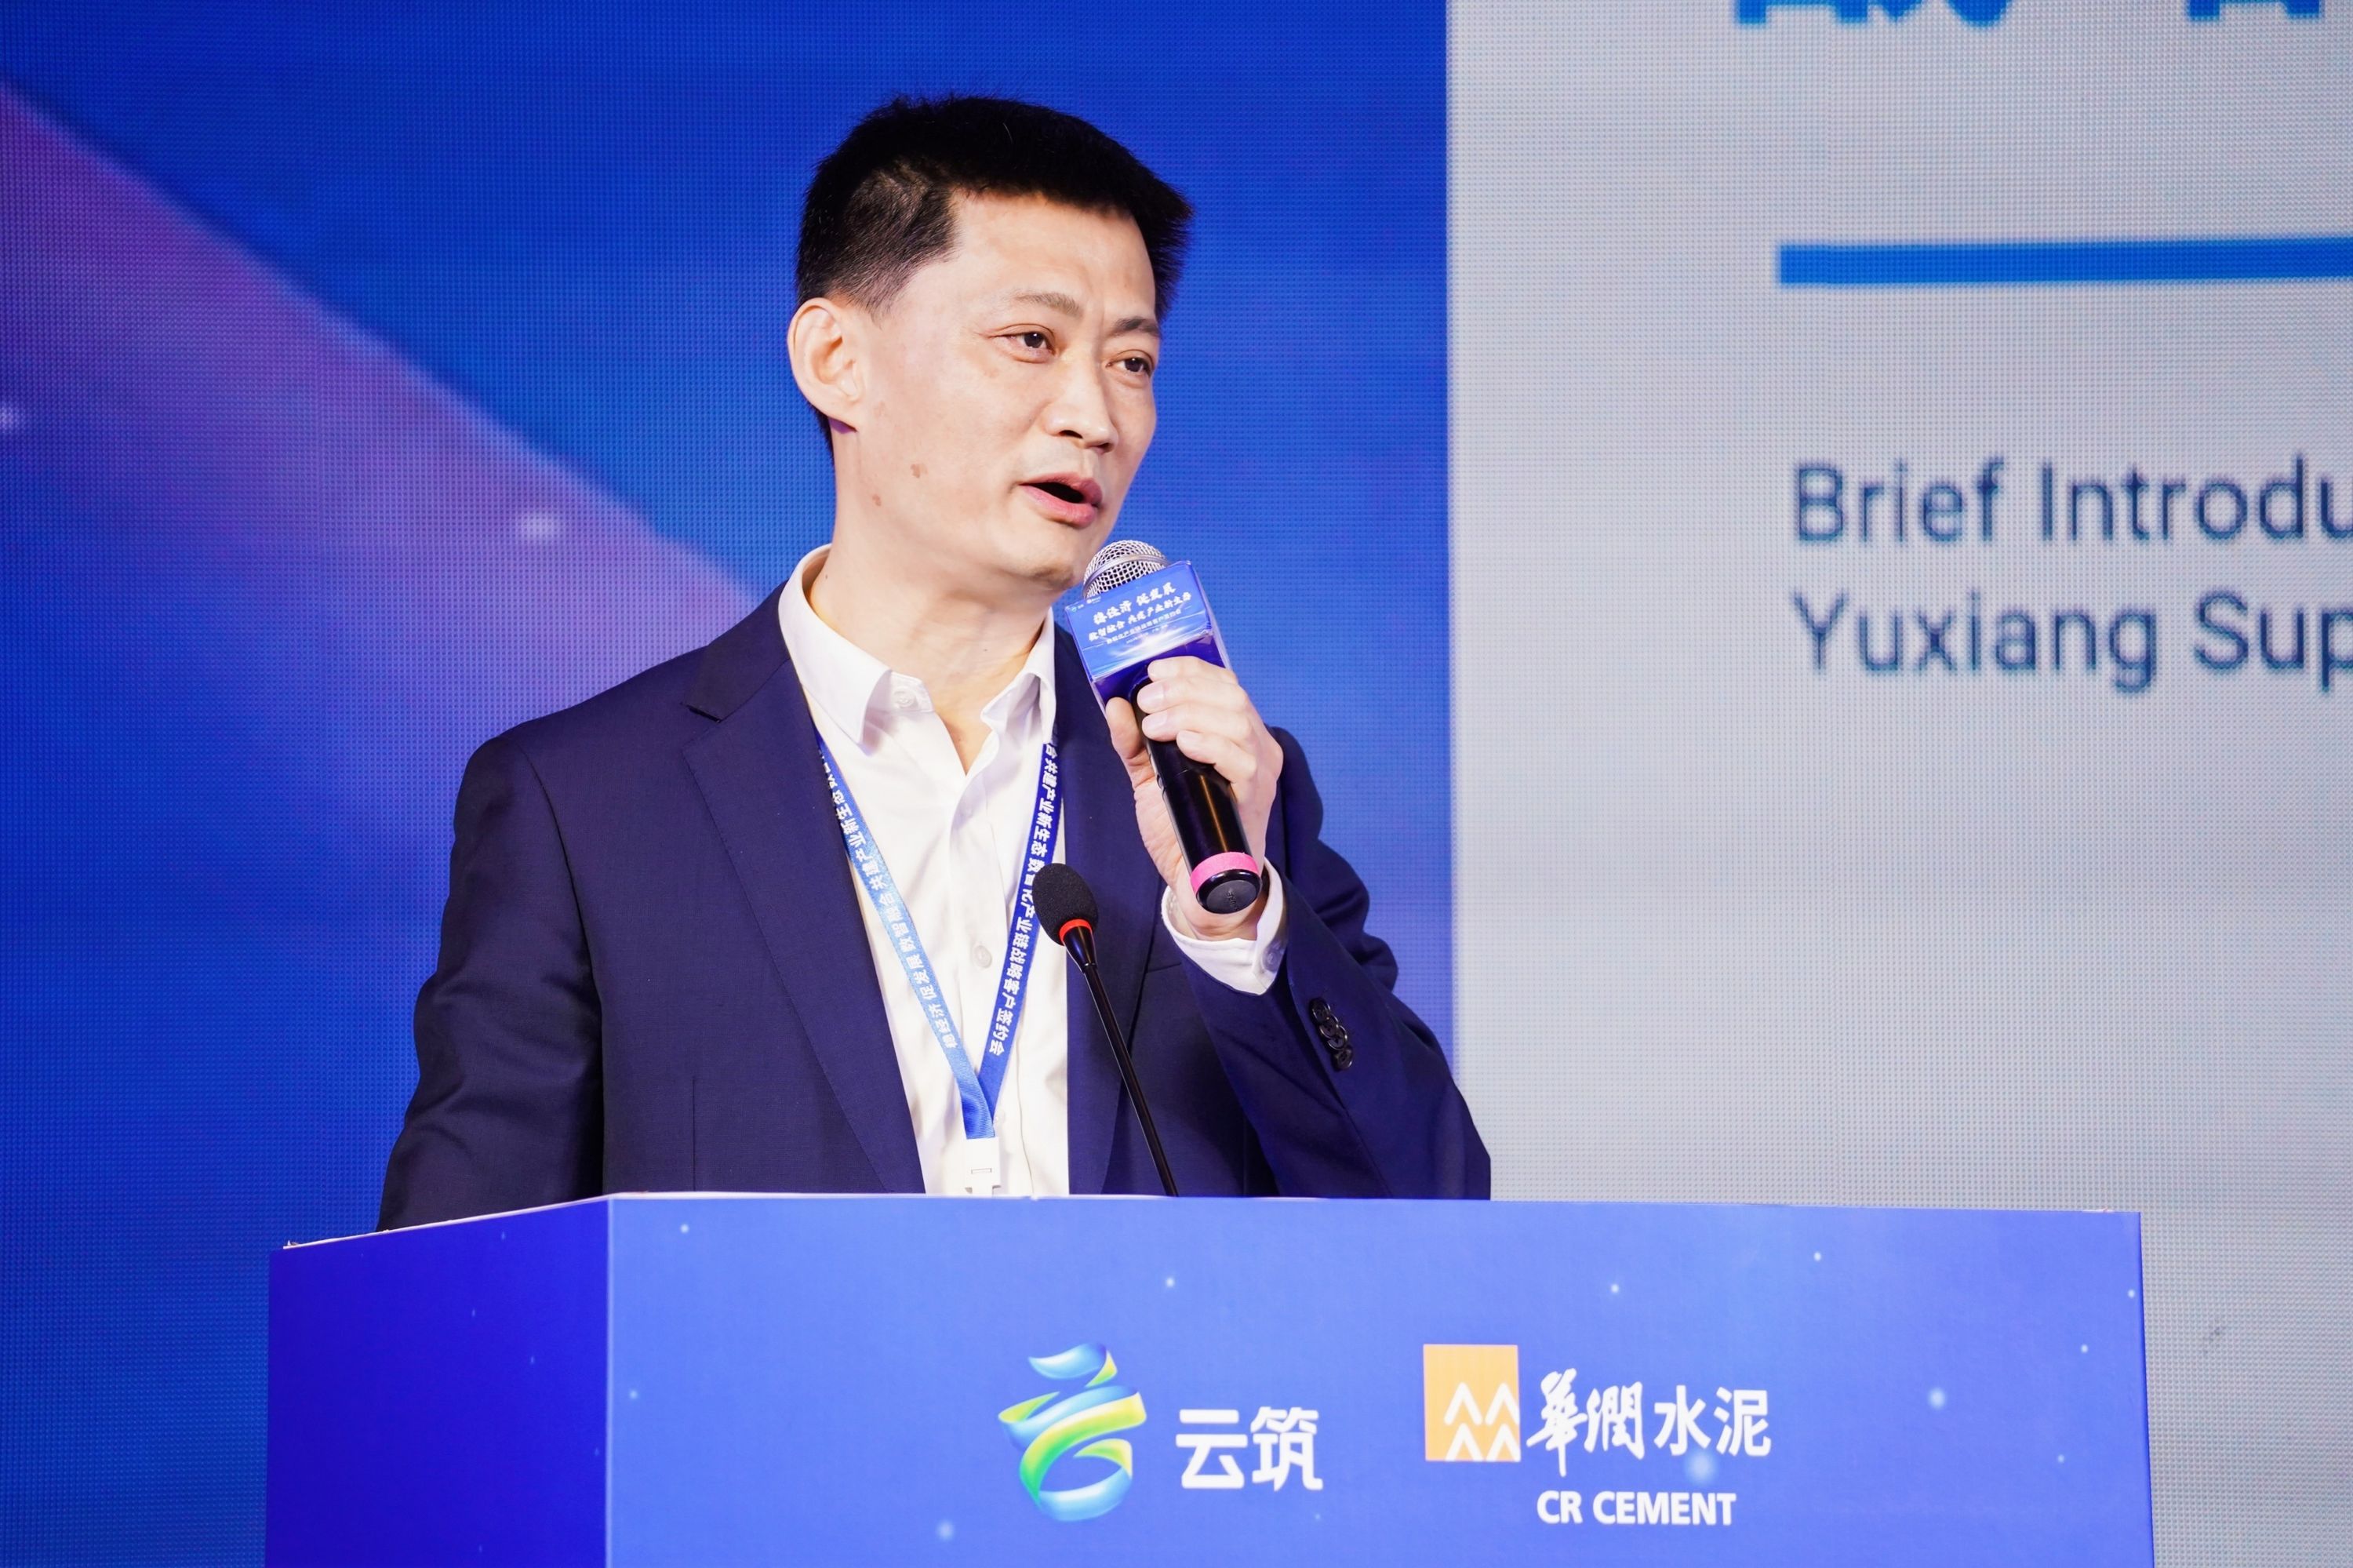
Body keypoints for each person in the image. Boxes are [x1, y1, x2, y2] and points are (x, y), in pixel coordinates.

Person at [378, 95, 1487, 1225]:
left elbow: (1429, 1211)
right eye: (1031, 342)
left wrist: (1235, 924)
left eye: (1133, 360)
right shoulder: (587, 805)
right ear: (837, 360)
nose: (1095, 415)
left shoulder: (1219, 785)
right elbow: (458, 1277)